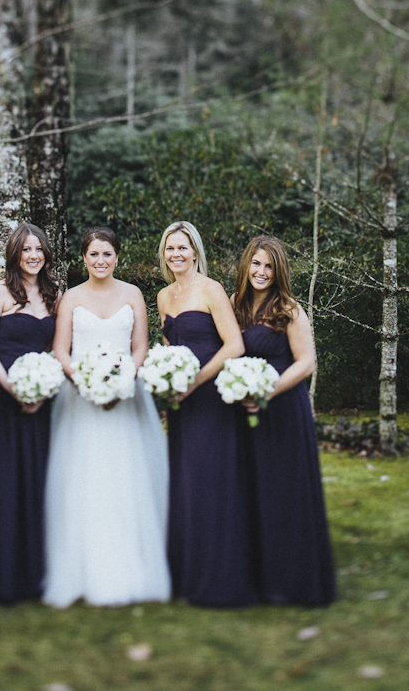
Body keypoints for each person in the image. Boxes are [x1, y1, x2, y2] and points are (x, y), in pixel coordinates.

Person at [43, 226, 171, 607]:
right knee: (83, 479)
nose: (101, 261)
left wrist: (122, 380)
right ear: (84, 257)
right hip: (79, 401)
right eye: (94, 254)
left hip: (125, 399)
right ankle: (79, 571)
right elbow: (61, 350)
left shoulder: (132, 294)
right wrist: (84, 381)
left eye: (107, 254)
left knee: (124, 479)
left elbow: (141, 347)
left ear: (117, 257)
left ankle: (131, 568)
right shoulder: (70, 298)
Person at [156, 220, 259, 608]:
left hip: (211, 397)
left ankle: (221, 575)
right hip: (180, 401)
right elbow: (168, 346)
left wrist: (195, 380)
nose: (176, 254)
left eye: (183, 247)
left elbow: (234, 346)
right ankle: (187, 573)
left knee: (212, 480)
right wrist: (167, 382)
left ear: (195, 252)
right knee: (185, 482)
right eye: (170, 249)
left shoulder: (212, 290)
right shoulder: (165, 296)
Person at [232, 236, 336, 606]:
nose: (261, 272)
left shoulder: (289, 309)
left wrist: (266, 390)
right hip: (244, 412)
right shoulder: (233, 306)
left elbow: (306, 362)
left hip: (282, 408)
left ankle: (291, 581)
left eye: (268, 266)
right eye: (256, 264)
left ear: (278, 272)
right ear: (246, 266)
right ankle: (257, 577)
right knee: (252, 491)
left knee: (284, 492)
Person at [0, 223, 60, 604]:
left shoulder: (55, 295)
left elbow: (60, 347)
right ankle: (1, 574)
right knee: (4, 482)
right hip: (3, 400)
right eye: (26, 249)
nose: (33, 256)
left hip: (42, 402)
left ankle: (36, 574)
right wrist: (12, 386)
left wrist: (43, 388)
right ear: (14, 254)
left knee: (39, 480)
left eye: (38, 249)